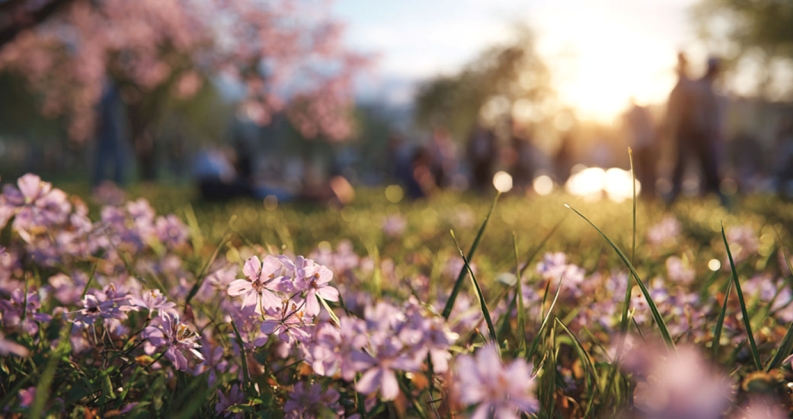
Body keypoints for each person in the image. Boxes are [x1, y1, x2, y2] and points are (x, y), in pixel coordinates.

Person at [666, 55, 725, 205]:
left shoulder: (706, 86)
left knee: (708, 164)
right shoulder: (691, 84)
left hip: (703, 132)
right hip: (686, 131)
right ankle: (673, 195)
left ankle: (714, 194)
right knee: (680, 164)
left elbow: (714, 113)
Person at [622, 97, 658, 199]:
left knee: (644, 171)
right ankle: (649, 192)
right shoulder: (643, 111)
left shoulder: (632, 112)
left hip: (641, 145)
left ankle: (648, 192)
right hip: (645, 145)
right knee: (647, 171)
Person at [466, 125, 498, 193]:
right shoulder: (474, 136)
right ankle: (476, 192)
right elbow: (470, 147)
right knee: (477, 177)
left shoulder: (491, 136)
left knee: (485, 177)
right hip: (477, 160)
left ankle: (484, 192)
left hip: (486, 161)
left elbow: (494, 149)